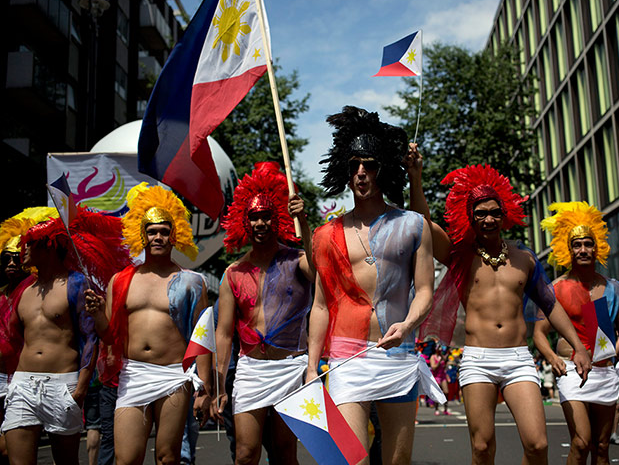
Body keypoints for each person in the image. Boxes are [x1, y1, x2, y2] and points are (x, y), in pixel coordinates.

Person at [406, 144, 591, 465]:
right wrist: (416, 178)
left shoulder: (525, 258)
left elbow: (551, 305)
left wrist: (579, 346)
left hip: (519, 359)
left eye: (494, 211)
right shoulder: (460, 257)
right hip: (477, 360)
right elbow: (423, 223)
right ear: (470, 217)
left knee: (537, 445)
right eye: (480, 213)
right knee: (481, 448)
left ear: (504, 214)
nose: (488, 218)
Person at [307, 106, 442, 465]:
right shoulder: (325, 235)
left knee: (398, 461)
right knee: (351, 460)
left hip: (397, 357)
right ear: (345, 171)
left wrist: (408, 326)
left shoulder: (413, 225)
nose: (361, 172)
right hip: (345, 360)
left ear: (383, 167)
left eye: (369, 164)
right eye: (354, 165)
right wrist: (310, 367)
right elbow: (320, 306)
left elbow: (426, 290)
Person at [86, 184, 213, 465]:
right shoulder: (120, 280)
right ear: (141, 234)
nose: (158, 237)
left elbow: (203, 338)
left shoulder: (192, 281)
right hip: (133, 375)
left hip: (173, 376)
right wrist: (96, 314)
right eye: (152, 231)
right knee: (126, 458)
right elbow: (108, 334)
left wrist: (204, 390)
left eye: (164, 231)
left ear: (174, 234)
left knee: (168, 457)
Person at [1, 208, 129, 465]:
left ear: (48, 246)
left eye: (29, 244)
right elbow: (11, 340)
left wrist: (80, 389)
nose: (22, 250)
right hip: (23, 384)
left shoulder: (77, 284)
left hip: (63, 385)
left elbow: (97, 337)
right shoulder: (24, 290)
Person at [211, 162, 314, 465]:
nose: (259, 223)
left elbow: (321, 271)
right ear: (245, 222)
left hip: (290, 367)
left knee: (284, 452)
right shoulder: (233, 272)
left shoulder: (296, 261)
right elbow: (224, 332)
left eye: (265, 216)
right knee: (245, 453)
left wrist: (304, 222)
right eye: (254, 217)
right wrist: (218, 385)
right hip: (251, 370)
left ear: (276, 218)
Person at [533, 201, 619, 464]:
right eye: (577, 244)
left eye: (588, 243)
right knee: (581, 442)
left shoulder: (614, 288)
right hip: (571, 371)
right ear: (568, 250)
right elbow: (539, 332)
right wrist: (553, 358)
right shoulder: (555, 289)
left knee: (602, 447)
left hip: (605, 371)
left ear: (597, 247)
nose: (583, 249)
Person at [0, 207, 57, 464]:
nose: (11, 264)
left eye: (16, 258)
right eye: (5, 260)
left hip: (24, 379)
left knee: (12, 450)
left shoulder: (33, 291)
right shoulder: (2, 295)